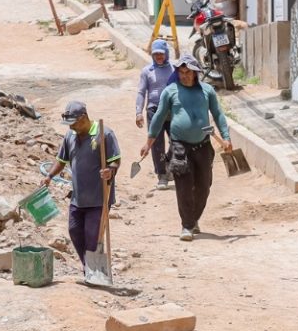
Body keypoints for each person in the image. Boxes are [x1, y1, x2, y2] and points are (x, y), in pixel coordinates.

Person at [142, 55, 233, 241]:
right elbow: (159, 117)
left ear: (195, 73)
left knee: (204, 186)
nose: (184, 76)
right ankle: (187, 225)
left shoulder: (207, 91)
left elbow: (218, 114)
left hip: (203, 145)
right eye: (181, 72)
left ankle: (194, 218)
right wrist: (148, 142)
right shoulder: (170, 91)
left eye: (188, 72)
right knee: (183, 187)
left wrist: (226, 138)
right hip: (179, 147)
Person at [41, 101, 120, 271]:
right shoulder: (70, 136)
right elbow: (61, 161)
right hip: (78, 197)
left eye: (73, 123)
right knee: (74, 231)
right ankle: (89, 267)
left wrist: (110, 171)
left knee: (93, 237)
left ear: (83, 118)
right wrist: (49, 175)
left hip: (99, 198)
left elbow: (115, 161)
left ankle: (93, 271)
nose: (71, 127)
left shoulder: (104, 134)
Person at [134, 39, 177, 190]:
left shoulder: (175, 69)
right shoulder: (147, 71)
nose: (159, 56)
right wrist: (138, 112)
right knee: (157, 144)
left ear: (166, 54)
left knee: (177, 140)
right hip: (154, 111)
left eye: (161, 54)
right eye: (155, 54)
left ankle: (168, 163)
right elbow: (141, 92)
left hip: (172, 111)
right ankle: (162, 175)